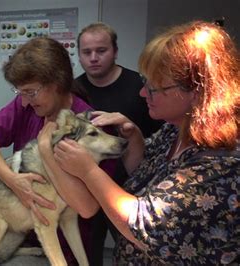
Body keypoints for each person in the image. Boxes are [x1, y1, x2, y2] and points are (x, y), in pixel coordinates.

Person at [38, 20, 239, 264]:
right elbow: (141, 176)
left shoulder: (223, 160)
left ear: (197, 92)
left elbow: (144, 225)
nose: (143, 94)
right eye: (146, 84)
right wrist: (133, 138)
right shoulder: (173, 131)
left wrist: (88, 171)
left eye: (155, 88)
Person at [0, 36, 116, 265]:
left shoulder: (92, 127)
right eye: (21, 93)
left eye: (31, 92)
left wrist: (46, 149)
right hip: (29, 239)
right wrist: (12, 180)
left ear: (56, 83)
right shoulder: (27, 106)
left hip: (71, 248)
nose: (25, 102)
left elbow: (87, 208)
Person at [75, 22, 163, 265]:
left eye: (101, 50)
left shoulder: (141, 87)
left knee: (136, 252)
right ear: (79, 55)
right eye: (86, 52)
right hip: (87, 188)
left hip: (131, 191)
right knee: (87, 253)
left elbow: (161, 143)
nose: (93, 58)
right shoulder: (75, 91)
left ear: (115, 51)